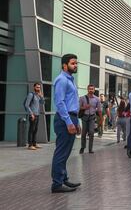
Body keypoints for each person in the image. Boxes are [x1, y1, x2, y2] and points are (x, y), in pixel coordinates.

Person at [51, 54, 81, 193]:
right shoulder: (61, 80)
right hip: (64, 119)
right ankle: (56, 184)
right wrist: (69, 122)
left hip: (71, 117)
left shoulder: (70, 79)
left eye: (76, 63)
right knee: (61, 152)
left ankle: (63, 178)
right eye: (73, 63)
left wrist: (77, 121)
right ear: (64, 65)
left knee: (66, 152)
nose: (76, 65)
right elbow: (60, 102)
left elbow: (72, 103)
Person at [79, 85, 102, 154]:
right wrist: (84, 107)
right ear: (87, 89)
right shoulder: (82, 98)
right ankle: (83, 147)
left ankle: (90, 149)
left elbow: (99, 110)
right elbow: (79, 107)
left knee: (91, 132)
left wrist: (101, 119)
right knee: (83, 133)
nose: (91, 90)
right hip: (84, 117)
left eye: (92, 89)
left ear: (94, 90)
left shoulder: (97, 99)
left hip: (92, 117)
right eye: (89, 89)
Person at [24, 83, 45, 150]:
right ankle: (30, 145)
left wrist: (41, 96)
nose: (38, 88)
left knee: (35, 130)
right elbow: (26, 105)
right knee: (31, 130)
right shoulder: (31, 95)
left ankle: (34, 144)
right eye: (37, 87)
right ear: (34, 87)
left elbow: (42, 103)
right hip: (32, 115)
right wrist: (31, 114)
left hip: (37, 115)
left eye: (39, 87)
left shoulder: (38, 95)